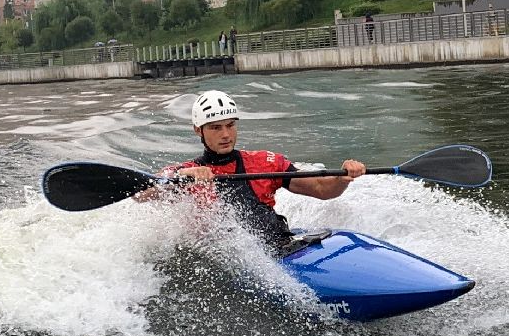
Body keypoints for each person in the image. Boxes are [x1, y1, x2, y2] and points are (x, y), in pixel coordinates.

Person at [134, 90, 365, 252]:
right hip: (229, 256)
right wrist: (184, 178)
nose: (226, 134)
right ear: (198, 130)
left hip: (278, 244)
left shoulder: (264, 162)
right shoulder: (186, 172)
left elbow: (321, 189)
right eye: (216, 128)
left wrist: (342, 177)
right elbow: (140, 195)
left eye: (231, 125)